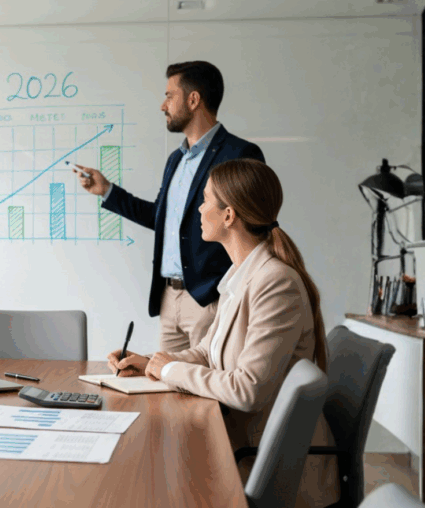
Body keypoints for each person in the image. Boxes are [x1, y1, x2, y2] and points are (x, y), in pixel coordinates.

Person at [106, 159, 339, 507]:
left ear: (228, 215)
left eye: (205, 200)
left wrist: (168, 371)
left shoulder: (274, 282)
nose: (199, 210)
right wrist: (150, 362)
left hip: (259, 462)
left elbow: (248, 390)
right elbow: (207, 352)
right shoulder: (240, 276)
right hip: (236, 445)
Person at [76, 61, 264, 353]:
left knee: (207, 379)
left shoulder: (239, 154)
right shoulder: (175, 160)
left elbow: (251, 227)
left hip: (210, 299)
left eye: (169, 96)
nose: (163, 106)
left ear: (193, 100)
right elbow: (160, 218)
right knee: (163, 378)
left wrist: (225, 292)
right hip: (168, 298)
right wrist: (108, 191)